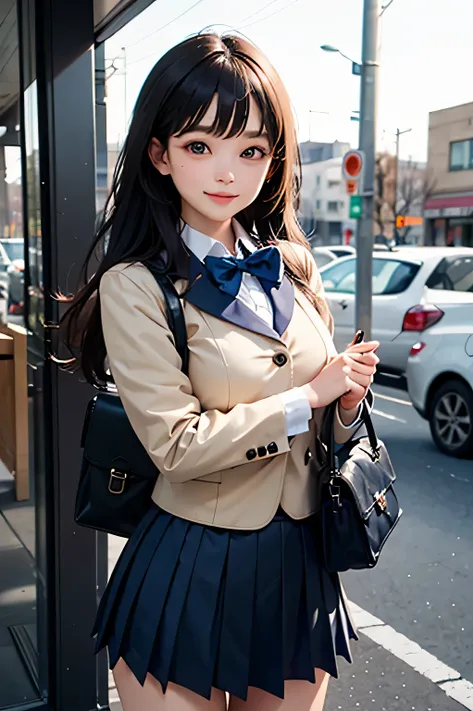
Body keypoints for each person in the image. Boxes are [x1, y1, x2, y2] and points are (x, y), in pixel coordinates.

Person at [62, 33, 379, 711]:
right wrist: (306, 396)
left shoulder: (293, 263)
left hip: (299, 564)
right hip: (191, 563)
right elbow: (176, 446)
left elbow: (324, 419)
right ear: (160, 152)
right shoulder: (137, 285)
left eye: (251, 150)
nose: (227, 172)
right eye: (200, 145)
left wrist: (344, 401)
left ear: (273, 157)